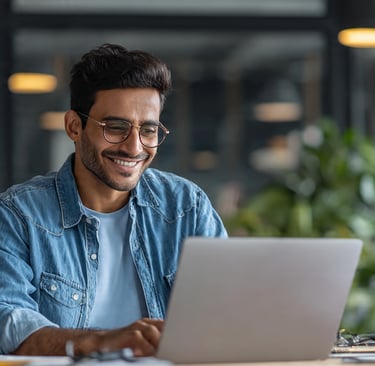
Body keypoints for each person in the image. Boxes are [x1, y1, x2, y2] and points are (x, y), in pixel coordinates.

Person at [0, 43, 227, 356]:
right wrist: (102, 342)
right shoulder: (19, 215)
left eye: (148, 130)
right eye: (116, 127)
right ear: (74, 127)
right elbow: (7, 321)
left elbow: (228, 311)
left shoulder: (188, 208)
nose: (134, 147)